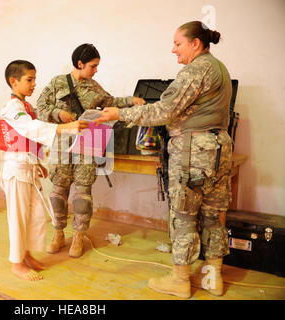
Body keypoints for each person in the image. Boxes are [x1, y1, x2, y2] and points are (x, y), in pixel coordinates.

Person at [95, 21, 233, 298]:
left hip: (192, 150)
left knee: (183, 215)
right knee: (212, 215)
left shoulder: (196, 69)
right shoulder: (220, 67)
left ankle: (180, 281)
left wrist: (119, 114)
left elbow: (164, 111)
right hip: (218, 148)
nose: (173, 50)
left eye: (178, 43)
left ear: (196, 43)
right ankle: (212, 278)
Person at [37, 43, 145, 258]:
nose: (96, 70)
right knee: (58, 193)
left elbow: (110, 101)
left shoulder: (94, 86)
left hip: (87, 146)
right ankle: (58, 233)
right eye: (93, 66)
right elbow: (40, 109)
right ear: (80, 63)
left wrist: (130, 101)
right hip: (62, 146)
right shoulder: (57, 83)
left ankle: (78, 236)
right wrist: (58, 113)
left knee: (82, 194)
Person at [0, 60, 88, 281]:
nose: (34, 84)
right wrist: (63, 127)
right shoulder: (13, 108)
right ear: (13, 81)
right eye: (29, 80)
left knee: (34, 216)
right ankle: (16, 263)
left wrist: (38, 163)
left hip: (28, 167)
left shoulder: (27, 107)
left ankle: (26, 254)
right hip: (16, 170)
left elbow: (29, 139)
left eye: (34, 79)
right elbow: (31, 129)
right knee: (18, 217)